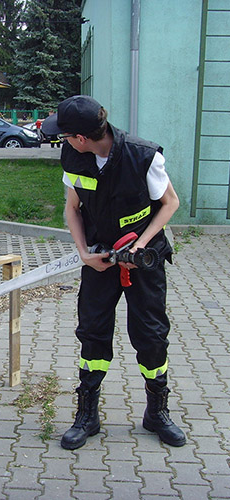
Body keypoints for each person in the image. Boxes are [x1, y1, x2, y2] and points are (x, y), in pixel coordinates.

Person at [42, 95, 186, 449]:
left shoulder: (144, 156)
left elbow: (170, 203)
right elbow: (73, 208)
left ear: (80, 136)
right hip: (100, 261)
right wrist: (83, 253)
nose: (63, 141)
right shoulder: (75, 158)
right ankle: (87, 416)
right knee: (92, 333)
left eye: (64, 135)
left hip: (143, 258)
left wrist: (140, 245)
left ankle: (156, 412)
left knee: (151, 335)